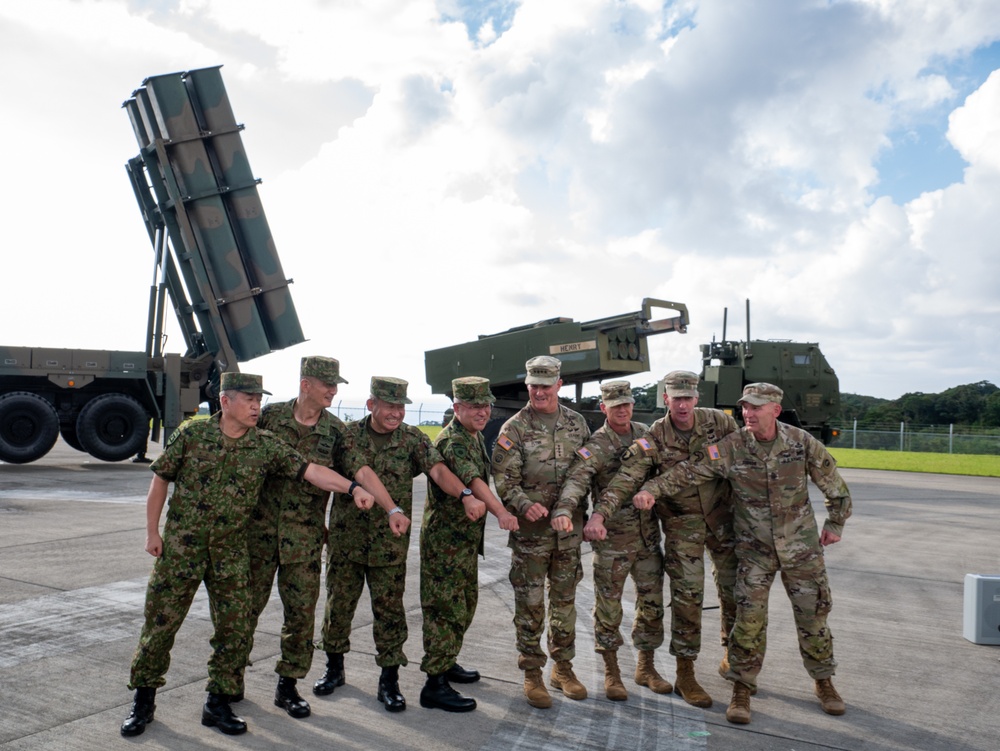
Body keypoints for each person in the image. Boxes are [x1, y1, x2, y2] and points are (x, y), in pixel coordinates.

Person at [121, 372, 375, 738]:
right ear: (226, 401)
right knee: (160, 626)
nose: (257, 406)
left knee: (235, 630)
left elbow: (311, 471)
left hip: (232, 553)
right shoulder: (193, 435)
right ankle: (143, 702)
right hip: (181, 551)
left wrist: (352, 487)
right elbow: (160, 478)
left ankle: (218, 702)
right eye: (249, 399)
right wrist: (152, 532)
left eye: (259, 399)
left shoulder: (265, 445)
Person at [633, 382, 852, 725]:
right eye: (745, 407)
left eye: (756, 407)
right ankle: (741, 689)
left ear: (775, 410)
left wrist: (835, 524)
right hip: (754, 551)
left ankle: (824, 683)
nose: (748, 413)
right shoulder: (732, 446)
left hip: (802, 549)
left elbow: (835, 487)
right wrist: (651, 489)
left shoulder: (800, 442)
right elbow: (689, 471)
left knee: (813, 617)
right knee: (748, 622)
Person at [316, 376, 475, 713]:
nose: (396, 413)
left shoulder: (412, 439)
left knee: (390, 613)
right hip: (348, 541)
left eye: (401, 407)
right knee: (338, 607)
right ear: (372, 404)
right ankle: (334, 668)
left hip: (390, 545)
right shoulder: (349, 436)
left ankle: (389, 680)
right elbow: (362, 474)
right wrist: (393, 508)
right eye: (389, 406)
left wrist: (463, 494)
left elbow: (437, 470)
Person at [246, 357, 390, 720]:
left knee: (300, 617)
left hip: (305, 540)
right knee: (242, 613)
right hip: (258, 537)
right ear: (305, 384)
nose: (333, 390)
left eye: (336, 384)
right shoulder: (269, 417)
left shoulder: (336, 431)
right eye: (327, 384)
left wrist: (391, 508)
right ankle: (229, 682)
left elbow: (360, 469)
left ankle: (288, 686)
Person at [591, 370, 739, 708]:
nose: (683, 405)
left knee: (735, 592)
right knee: (688, 597)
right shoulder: (655, 435)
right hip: (682, 525)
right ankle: (686, 673)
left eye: (688, 398)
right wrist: (600, 513)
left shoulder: (720, 422)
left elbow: (745, 455)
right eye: (676, 399)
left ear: (697, 398)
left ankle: (733, 657)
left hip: (723, 520)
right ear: (665, 400)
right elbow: (628, 476)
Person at [552, 380, 667, 702]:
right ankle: (611, 670)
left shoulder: (646, 433)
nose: (623, 410)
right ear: (604, 408)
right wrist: (566, 508)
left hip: (647, 538)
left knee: (652, 604)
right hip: (612, 539)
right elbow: (577, 479)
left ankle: (646, 666)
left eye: (627, 404)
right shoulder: (596, 444)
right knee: (609, 608)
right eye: (616, 406)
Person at [491, 355, 591, 709]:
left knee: (564, 603)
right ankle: (532, 672)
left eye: (546, 385)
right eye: (533, 385)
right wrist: (522, 503)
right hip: (531, 535)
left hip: (568, 532)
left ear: (559, 385)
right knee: (530, 605)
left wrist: (569, 508)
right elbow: (504, 477)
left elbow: (584, 472)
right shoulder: (515, 428)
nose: (539, 391)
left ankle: (563, 668)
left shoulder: (577, 424)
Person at [419, 376, 520, 712]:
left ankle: (446, 662)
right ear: (456, 407)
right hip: (445, 543)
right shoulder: (454, 441)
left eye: (486, 405)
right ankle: (434, 684)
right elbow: (473, 481)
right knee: (444, 610)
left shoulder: (473, 436)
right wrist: (501, 512)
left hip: (461, 542)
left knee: (463, 605)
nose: (483, 412)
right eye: (475, 406)